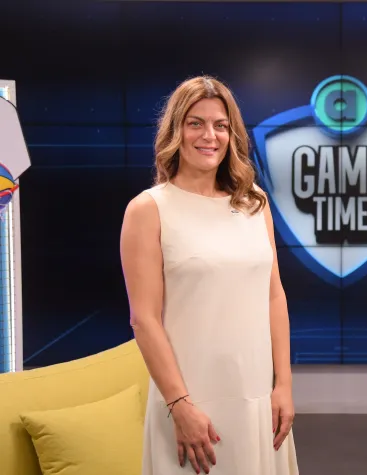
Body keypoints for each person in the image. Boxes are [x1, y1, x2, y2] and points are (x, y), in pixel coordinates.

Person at [120, 76, 299, 475]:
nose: (209, 136)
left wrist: (284, 384)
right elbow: (144, 319)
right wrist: (180, 405)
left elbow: (274, 295)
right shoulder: (148, 209)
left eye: (221, 125)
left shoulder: (255, 203)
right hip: (189, 401)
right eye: (195, 123)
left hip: (258, 398)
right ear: (175, 131)